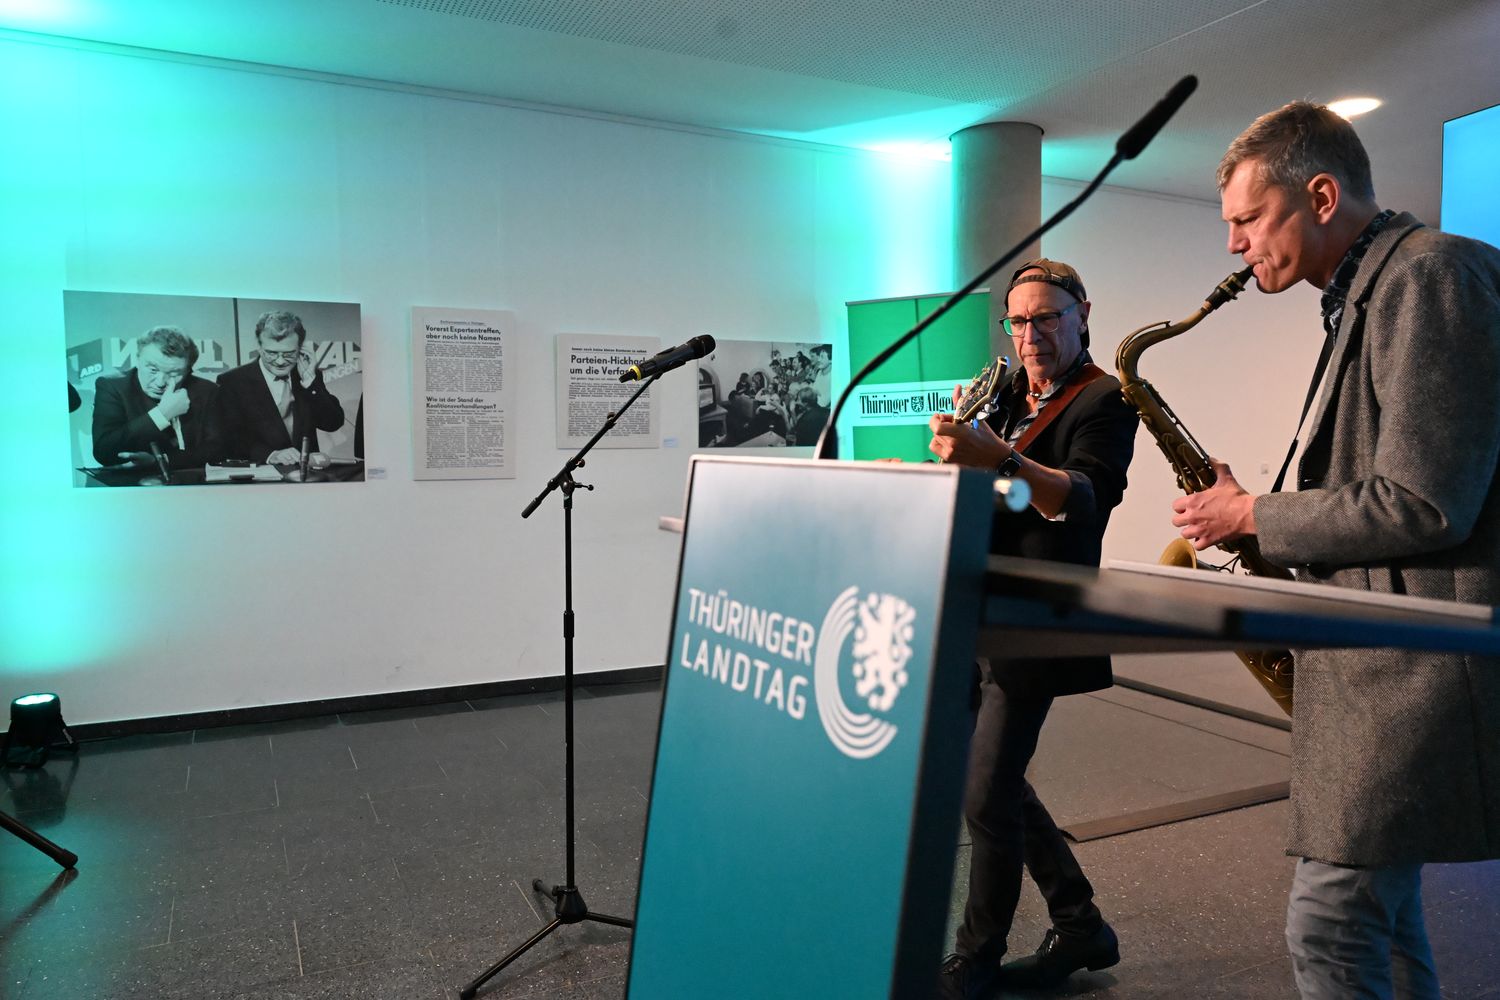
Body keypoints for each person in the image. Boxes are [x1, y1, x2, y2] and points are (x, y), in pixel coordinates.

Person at [1171, 101, 1500, 998]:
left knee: (1332, 921)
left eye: (1248, 218)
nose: (1235, 244)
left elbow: (1425, 502)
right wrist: (1252, 514)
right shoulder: (1372, 289)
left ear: (1320, 196)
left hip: (1414, 672)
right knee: (1384, 923)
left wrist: (1256, 514)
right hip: (1382, 666)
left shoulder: (1429, 276)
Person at [930, 259, 1136, 998]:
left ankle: (975, 958)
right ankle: (1079, 923)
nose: (1031, 335)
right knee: (991, 780)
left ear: (1083, 314)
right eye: (1018, 321)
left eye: (1047, 317)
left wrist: (1002, 458)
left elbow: (1080, 499)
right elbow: (995, 497)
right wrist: (946, 462)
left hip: (1036, 620)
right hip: (975, 609)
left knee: (986, 794)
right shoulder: (1005, 393)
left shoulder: (1107, 398)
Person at [215, 310, 345, 465]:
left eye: (289, 353)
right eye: (271, 353)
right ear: (259, 346)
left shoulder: (308, 376)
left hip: (305, 474)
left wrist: (310, 383)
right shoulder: (232, 381)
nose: (280, 361)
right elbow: (227, 438)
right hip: (261, 473)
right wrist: (270, 455)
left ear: (301, 348)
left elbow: (333, 423)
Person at [91, 326, 221, 469]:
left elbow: (218, 449)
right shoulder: (112, 387)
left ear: (188, 370)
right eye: (153, 370)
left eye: (174, 374)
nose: (160, 383)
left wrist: (161, 461)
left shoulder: (207, 391)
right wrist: (161, 415)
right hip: (133, 481)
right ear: (138, 360)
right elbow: (104, 451)